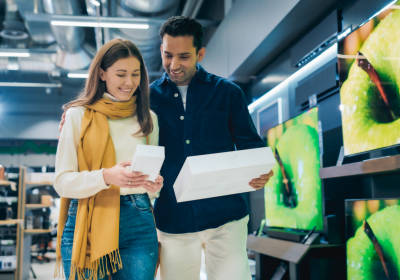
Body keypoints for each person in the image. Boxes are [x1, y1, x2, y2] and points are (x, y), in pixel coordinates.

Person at [151, 16, 273, 280]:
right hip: (174, 218)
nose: (173, 65)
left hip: (226, 217)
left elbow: (250, 144)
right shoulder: (148, 98)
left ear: (200, 53)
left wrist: (262, 169)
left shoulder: (228, 93)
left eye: (183, 56)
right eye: (167, 55)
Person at [53, 38, 164, 280]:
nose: (129, 82)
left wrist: (153, 186)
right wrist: (106, 176)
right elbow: (62, 182)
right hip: (88, 216)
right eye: (121, 74)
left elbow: (150, 182)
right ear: (102, 74)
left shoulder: (149, 119)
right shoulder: (77, 115)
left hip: (139, 218)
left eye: (135, 74)